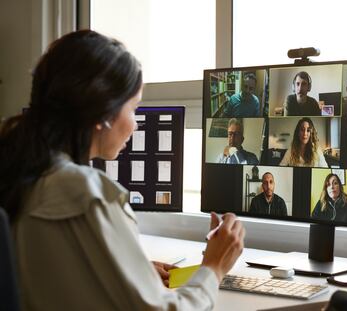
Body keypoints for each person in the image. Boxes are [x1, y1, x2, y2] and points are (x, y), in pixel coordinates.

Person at [0, 30, 245, 311]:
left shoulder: (21, 176)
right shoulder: (85, 194)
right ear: (103, 114)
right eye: (134, 107)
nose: (136, 124)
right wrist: (213, 267)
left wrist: (130, 272)